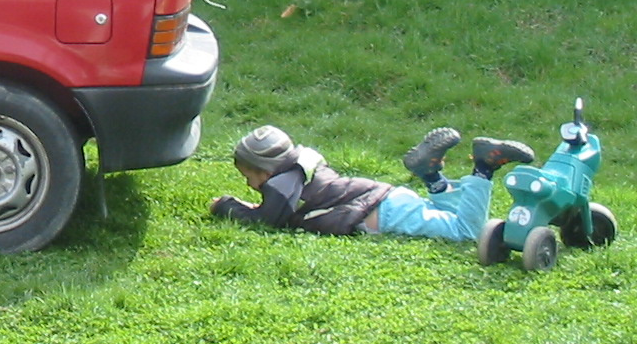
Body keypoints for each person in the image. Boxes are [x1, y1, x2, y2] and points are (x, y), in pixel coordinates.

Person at [209, 125, 536, 242]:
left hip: (387, 213)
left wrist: (227, 206)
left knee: (467, 231)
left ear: (265, 171)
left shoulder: (281, 187)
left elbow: (267, 219)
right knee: (445, 214)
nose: (250, 186)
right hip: (389, 199)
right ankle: (431, 174)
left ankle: (484, 166)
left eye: (248, 177)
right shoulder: (302, 169)